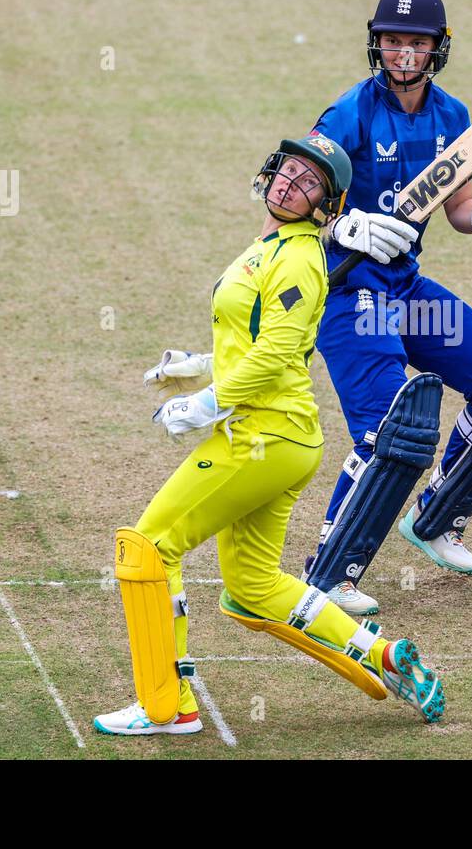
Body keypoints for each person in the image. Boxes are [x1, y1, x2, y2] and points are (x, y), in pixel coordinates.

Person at [94, 135, 445, 735]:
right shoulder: (273, 245)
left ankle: (165, 707)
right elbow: (259, 339)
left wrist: (207, 401)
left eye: (310, 181)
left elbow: (282, 349)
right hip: (279, 436)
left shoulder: (301, 258)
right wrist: (199, 364)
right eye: (288, 169)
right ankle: (383, 654)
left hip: (264, 436)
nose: (290, 182)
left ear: (325, 205)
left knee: (149, 547)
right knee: (254, 586)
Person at [303, 0, 472, 617]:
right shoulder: (349, 114)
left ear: (436, 48)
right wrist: (341, 225)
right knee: (384, 431)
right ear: (377, 43)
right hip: (347, 293)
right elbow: (291, 197)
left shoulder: (452, 116)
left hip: (404, 288)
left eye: (415, 42)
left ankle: (436, 515)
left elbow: (457, 205)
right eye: (392, 41)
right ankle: (328, 571)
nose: (402, 53)